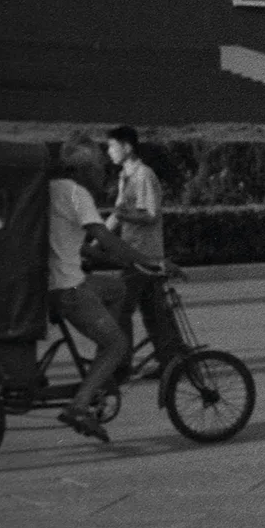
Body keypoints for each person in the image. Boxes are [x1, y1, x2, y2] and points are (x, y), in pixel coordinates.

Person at [46, 137, 162, 442]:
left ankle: (102, 371)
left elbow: (78, 245)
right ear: (83, 170)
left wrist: (106, 257)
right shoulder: (76, 192)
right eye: (98, 168)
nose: (103, 174)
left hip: (57, 284)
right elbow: (104, 237)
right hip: (69, 289)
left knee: (116, 289)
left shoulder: (52, 189)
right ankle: (80, 405)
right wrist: (146, 260)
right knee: (117, 344)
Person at [103, 125, 183, 369]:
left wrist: (124, 217)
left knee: (121, 312)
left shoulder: (144, 175)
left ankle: (120, 364)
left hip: (143, 256)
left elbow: (150, 214)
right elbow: (117, 214)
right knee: (155, 315)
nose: (109, 152)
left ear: (127, 147)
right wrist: (94, 240)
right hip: (136, 255)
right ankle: (172, 363)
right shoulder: (125, 176)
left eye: (112, 146)